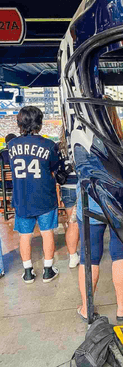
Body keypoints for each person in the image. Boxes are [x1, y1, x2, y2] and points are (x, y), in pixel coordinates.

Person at [76, 102, 123, 322]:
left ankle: (86, 308)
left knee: (88, 256)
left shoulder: (81, 141)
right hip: (118, 204)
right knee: (121, 254)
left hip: (89, 202)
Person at [8, 106, 60, 284]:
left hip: (22, 198)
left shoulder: (11, 145)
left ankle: (28, 272)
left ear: (20, 123)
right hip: (44, 196)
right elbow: (54, 169)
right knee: (47, 233)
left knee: (24, 235)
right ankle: (47, 270)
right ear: (39, 123)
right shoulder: (48, 145)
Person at [57, 128, 80, 268]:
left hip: (66, 187)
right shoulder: (82, 142)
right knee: (77, 223)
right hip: (80, 186)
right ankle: (78, 255)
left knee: (72, 222)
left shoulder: (58, 147)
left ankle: (73, 255)